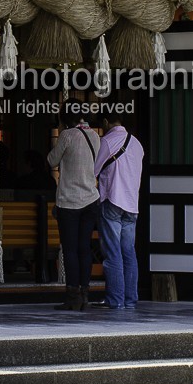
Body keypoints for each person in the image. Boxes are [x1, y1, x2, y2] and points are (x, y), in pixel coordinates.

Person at [47, 101, 100, 311]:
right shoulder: (95, 135)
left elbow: (52, 160)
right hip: (90, 198)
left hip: (69, 200)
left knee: (70, 249)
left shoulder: (67, 135)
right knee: (84, 248)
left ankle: (72, 295)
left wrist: (60, 133)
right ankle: (85, 293)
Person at [94, 109, 144, 312]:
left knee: (112, 252)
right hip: (132, 204)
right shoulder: (137, 144)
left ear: (106, 121)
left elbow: (94, 170)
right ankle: (130, 299)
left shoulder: (106, 141)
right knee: (128, 252)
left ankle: (115, 299)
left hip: (113, 200)